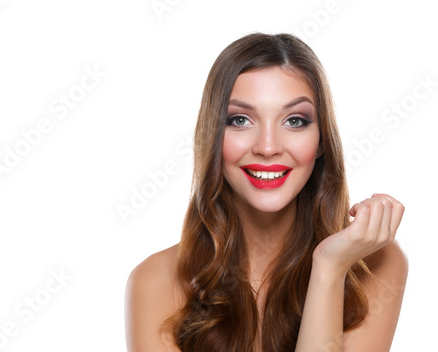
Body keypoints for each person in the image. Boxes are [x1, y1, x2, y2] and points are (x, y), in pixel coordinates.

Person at [125, 32, 408, 352]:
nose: (268, 147)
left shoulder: (374, 260)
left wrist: (330, 267)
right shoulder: (155, 280)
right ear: (213, 138)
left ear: (321, 142)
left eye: (295, 121)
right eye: (241, 120)